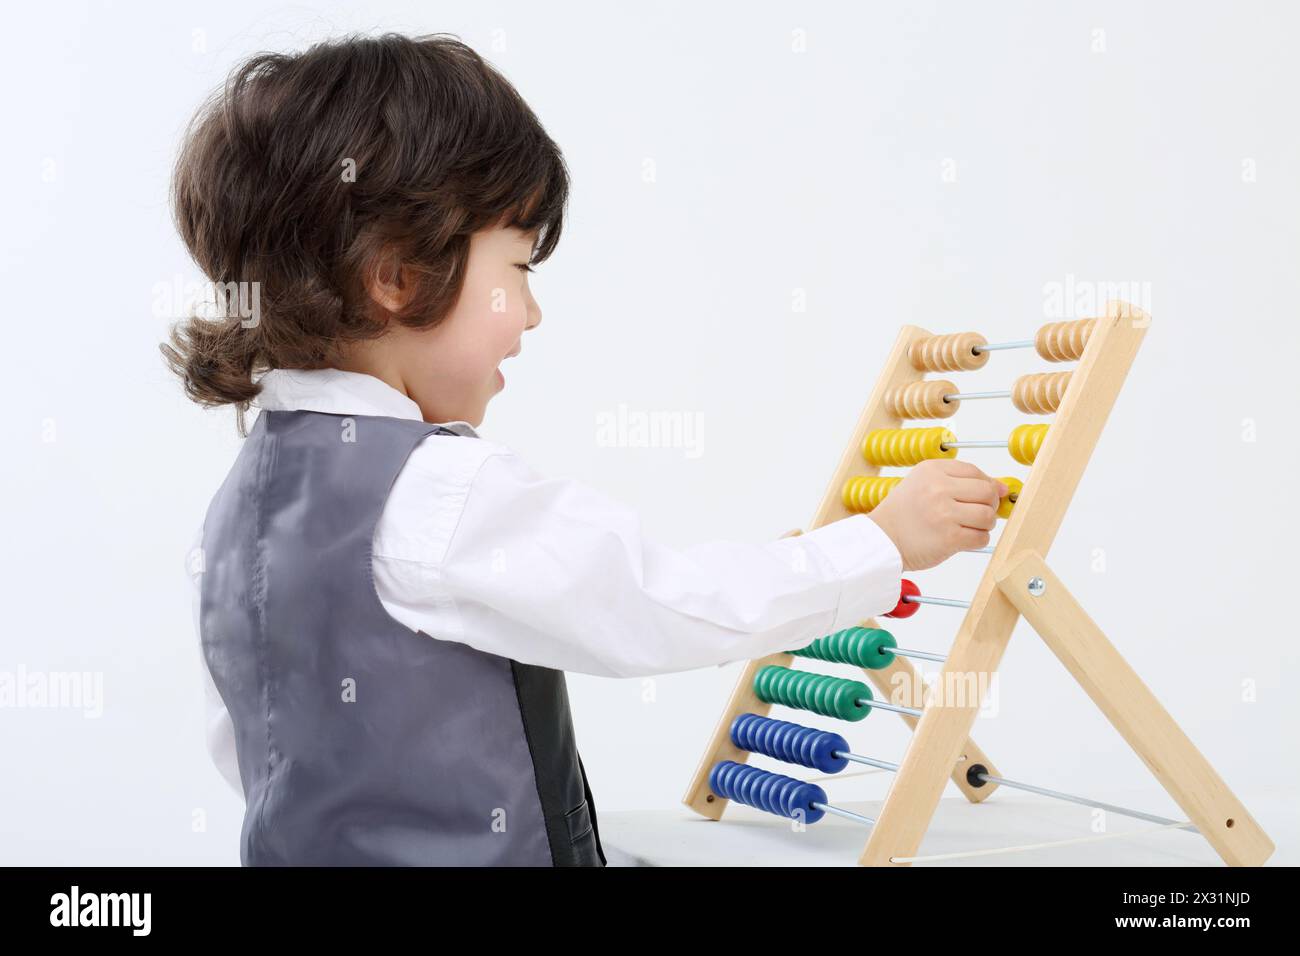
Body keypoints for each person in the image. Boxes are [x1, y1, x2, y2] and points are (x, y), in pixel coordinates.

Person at [162, 32, 1006, 866]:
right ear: (397, 277)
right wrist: (880, 543)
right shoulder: (438, 491)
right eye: (519, 267)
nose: (532, 314)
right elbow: (661, 605)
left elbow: (251, 751)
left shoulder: (237, 508)